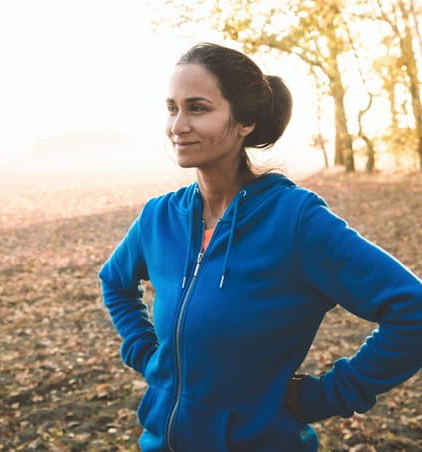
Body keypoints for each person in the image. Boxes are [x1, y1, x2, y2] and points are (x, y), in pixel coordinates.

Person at [98, 42, 422, 451]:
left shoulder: (294, 221)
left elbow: (413, 311)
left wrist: (325, 396)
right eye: (172, 107)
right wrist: (146, 354)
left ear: (245, 121)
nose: (178, 125)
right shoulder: (159, 217)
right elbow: (114, 281)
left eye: (198, 108)